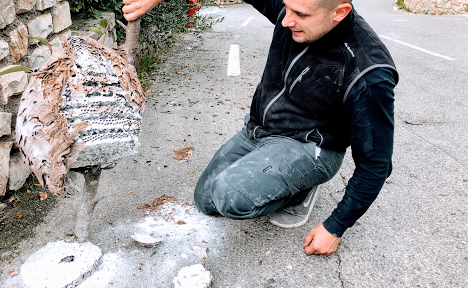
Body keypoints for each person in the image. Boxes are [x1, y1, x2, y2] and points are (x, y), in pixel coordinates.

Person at [123, 0, 398, 256]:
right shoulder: (293, 8)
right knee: (206, 200)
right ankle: (278, 176)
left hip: (310, 147)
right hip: (260, 131)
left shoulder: (368, 71)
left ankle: (300, 189)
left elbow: (376, 163)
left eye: (300, 14)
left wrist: (335, 227)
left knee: (230, 196)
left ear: (339, 12)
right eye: (287, 8)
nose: (286, 20)